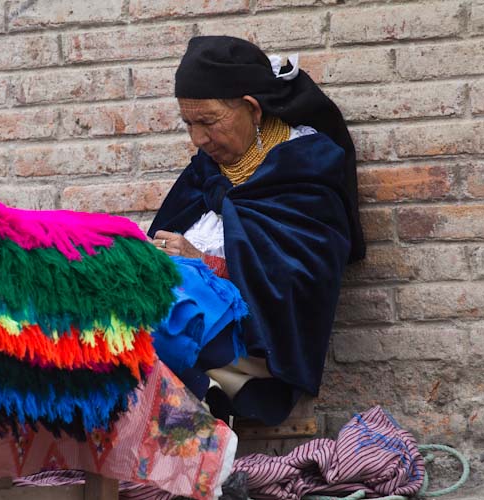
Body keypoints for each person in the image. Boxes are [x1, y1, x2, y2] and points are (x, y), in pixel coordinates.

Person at [148, 36, 365, 426]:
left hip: (257, 351)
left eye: (208, 122)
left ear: (252, 109)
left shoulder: (307, 170)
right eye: (189, 124)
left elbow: (302, 284)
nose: (197, 139)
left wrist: (203, 265)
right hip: (190, 326)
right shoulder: (205, 174)